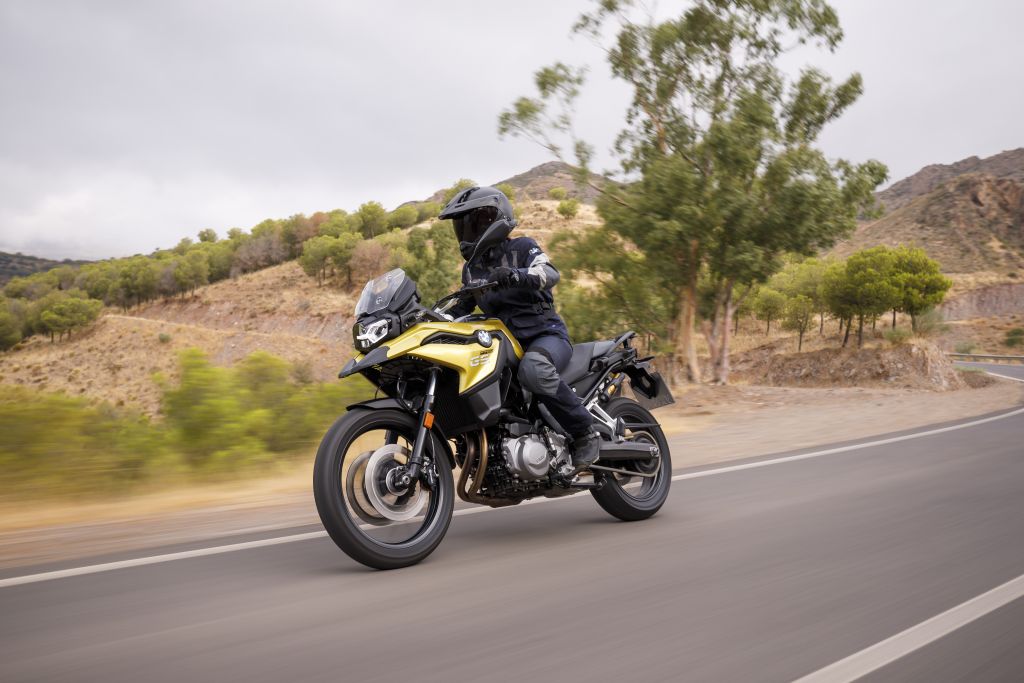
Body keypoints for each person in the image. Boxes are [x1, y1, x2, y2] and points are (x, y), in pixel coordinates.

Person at [440, 185, 600, 469]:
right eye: (461, 226)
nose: (465, 232)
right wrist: (430, 319)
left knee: (534, 369)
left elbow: (549, 273)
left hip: (545, 335)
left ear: (493, 220)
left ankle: (585, 433)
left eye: (471, 223)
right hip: (506, 346)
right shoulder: (472, 270)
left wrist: (517, 276)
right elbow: (462, 306)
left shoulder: (523, 247)